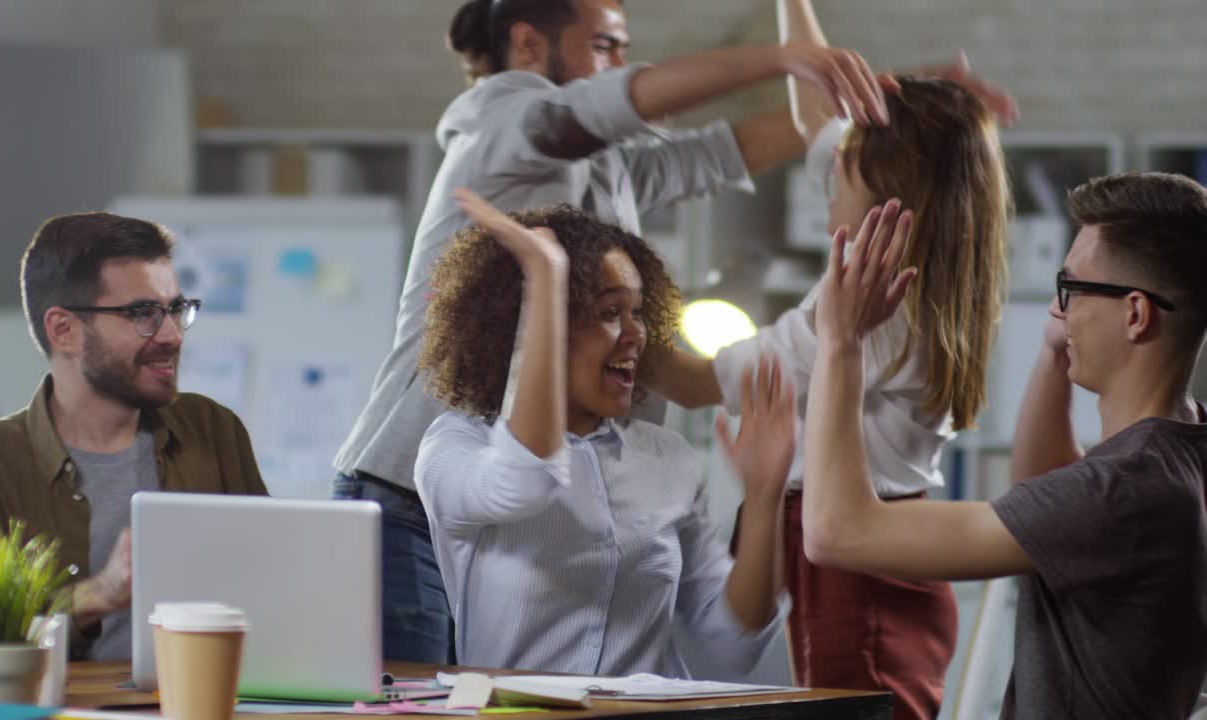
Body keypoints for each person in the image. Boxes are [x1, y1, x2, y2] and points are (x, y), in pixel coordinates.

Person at [331, 0, 892, 663]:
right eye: (605, 46)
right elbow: (598, 107)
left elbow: (722, 153)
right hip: (410, 498)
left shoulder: (605, 168)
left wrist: (885, 108)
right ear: (529, 46)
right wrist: (781, 58)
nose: (624, 66)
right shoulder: (505, 123)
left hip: (527, 493)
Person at [651, 2, 1016, 714]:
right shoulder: (931, 281)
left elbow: (694, 381)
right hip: (888, 553)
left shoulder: (860, 322)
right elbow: (824, 120)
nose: (824, 208)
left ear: (889, 205)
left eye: (839, 184)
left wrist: (601, 301)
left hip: (857, 578)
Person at [801, 172, 1207, 717]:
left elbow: (838, 532)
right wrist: (1054, 351)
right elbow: (1045, 491)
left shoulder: (1125, 490)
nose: (1059, 310)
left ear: (1134, 313)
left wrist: (840, 341)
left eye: (1072, 290)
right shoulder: (1181, 449)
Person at [414, 189, 792, 676]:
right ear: (531, 323)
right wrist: (546, 278)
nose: (637, 335)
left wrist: (765, 498)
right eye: (610, 313)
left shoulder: (668, 459)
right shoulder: (456, 446)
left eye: (638, 312)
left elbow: (730, 648)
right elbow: (522, 481)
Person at [0, 212, 268, 661]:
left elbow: (268, 584)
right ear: (63, 330)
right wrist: (95, 596)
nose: (170, 335)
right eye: (142, 314)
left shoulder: (213, 430)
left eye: (176, 310)